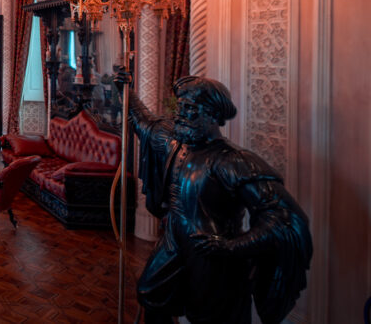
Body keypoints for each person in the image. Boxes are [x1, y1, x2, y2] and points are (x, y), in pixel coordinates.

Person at [115, 72, 312, 324]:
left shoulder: (231, 161)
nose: (180, 115)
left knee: (210, 316)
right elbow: (143, 120)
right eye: (180, 107)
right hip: (174, 239)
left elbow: (283, 216)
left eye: (190, 109)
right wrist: (125, 89)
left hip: (211, 252)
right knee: (150, 293)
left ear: (213, 116)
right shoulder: (174, 143)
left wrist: (232, 246)